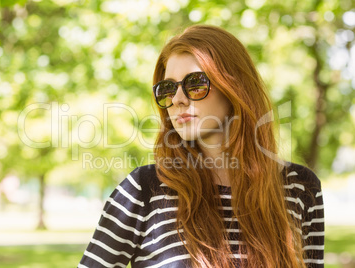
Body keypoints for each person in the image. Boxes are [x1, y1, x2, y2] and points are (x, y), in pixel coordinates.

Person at [77, 25, 324, 268]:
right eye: (167, 88)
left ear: (234, 88)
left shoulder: (299, 187)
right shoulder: (144, 189)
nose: (177, 99)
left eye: (195, 84)